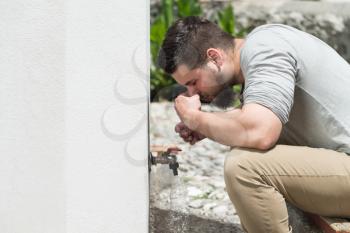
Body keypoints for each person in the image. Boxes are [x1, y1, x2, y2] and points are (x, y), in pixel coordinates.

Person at [157, 16, 350, 233]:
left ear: (214, 58)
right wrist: (206, 127)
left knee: (244, 167)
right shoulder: (261, 49)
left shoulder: (265, 49)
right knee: (243, 145)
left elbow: (260, 131)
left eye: (193, 82)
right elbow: (251, 119)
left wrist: (195, 119)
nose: (191, 93)